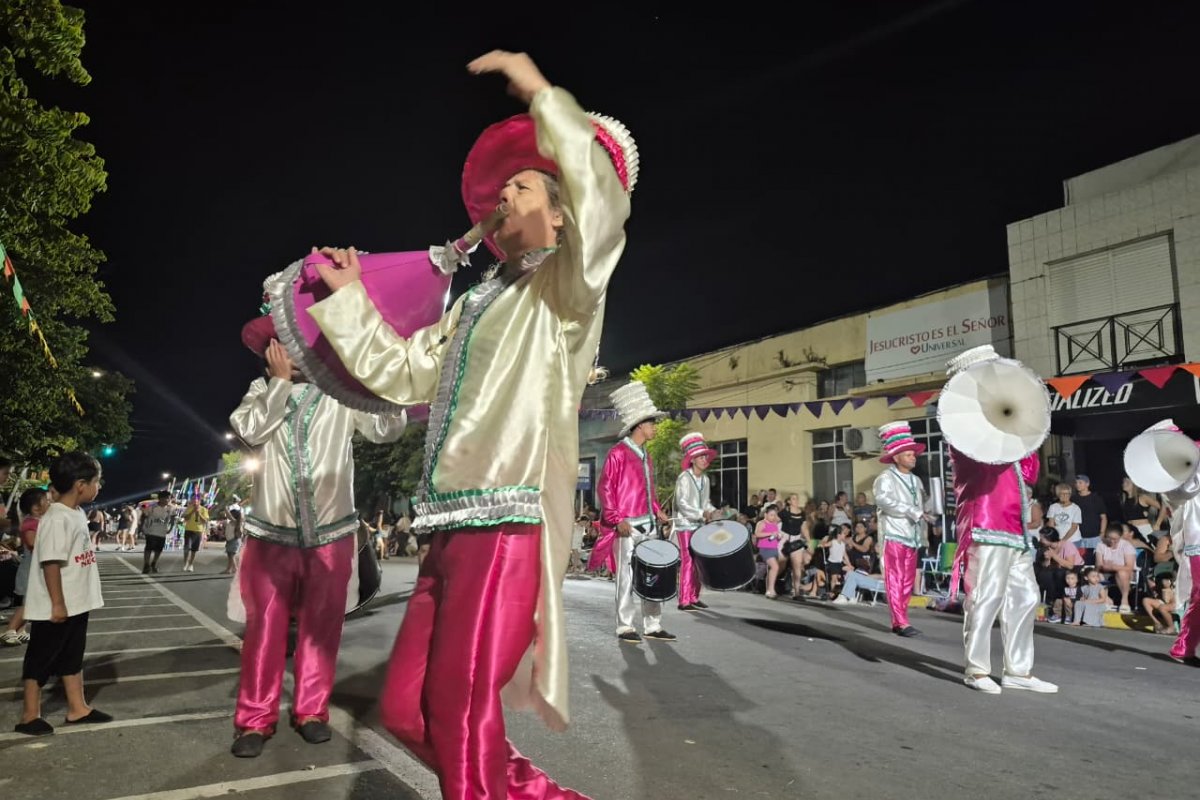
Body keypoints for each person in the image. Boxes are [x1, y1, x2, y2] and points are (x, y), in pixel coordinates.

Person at [304, 50, 635, 799]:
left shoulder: (567, 290)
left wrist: (543, 94)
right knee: (404, 709)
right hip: (448, 531)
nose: (504, 194)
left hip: (506, 526)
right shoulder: (479, 301)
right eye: (505, 185)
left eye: (523, 185)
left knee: (458, 712)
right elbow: (402, 371)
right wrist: (352, 295)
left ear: (560, 212)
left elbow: (603, 212)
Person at [227, 336, 405, 758]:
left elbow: (387, 429)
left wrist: (388, 382)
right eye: (284, 345)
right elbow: (251, 430)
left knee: (321, 632)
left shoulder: (339, 394)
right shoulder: (260, 392)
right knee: (264, 632)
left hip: (332, 533)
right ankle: (254, 718)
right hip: (271, 534)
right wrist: (279, 383)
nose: (294, 353)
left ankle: (311, 711)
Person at [944, 345, 1057, 695]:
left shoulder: (1001, 419)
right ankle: (977, 670)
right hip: (987, 517)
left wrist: (1029, 434)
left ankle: (1018, 670)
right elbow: (985, 464)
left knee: (1025, 596)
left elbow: (1030, 473)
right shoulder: (961, 421)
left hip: (1016, 524)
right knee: (985, 596)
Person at [16, 451, 111, 736]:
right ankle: (29, 715)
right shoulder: (57, 518)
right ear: (81, 484)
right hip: (56, 606)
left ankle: (77, 708)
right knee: (41, 659)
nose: (99, 486)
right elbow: (50, 563)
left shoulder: (75, 513)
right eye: (97, 481)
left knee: (72, 656)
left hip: (76, 602)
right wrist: (57, 603)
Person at [600, 381, 673, 639]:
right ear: (640, 425)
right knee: (627, 577)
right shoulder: (618, 453)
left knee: (651, 574)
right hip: (627, 526)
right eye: (652, 423)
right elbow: (606, 488)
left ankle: (653, 625)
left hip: (649, 525)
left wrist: (658, 511)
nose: (655, 427)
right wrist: (616, 518)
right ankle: (625, 625)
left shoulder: (646, 455)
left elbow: (649, 490)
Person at [872, 421, 929, 637]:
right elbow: (884, 501)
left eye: (913, 454)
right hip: (894, 534)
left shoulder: (916, 480)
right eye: (908, 454)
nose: (913, 457)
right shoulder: (885, 479)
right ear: (896, 458)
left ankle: (901, 619)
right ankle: (901, 621)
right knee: (895, 578)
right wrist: (913, 511)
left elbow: (921, 504)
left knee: (907, 580)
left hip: (912, 537)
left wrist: (925, 513)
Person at [1, 488, 51, 646]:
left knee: (31, 602)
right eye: (47, 502)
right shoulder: (31, 523)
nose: (50, 504)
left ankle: (21, 631)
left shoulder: (38, 521)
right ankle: (9, 630)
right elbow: (31, 542)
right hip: (31, 569)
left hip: (36, 568)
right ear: (36, 508)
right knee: (29, 604)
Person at [674, 432, 717, 611]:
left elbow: (706, 502)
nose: (704, 459)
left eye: (705, 456)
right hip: (685, 525)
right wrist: (701, 513)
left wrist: (713, 511)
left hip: (699, 525)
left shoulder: (705, 480)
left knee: (699, 561)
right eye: (700, 456)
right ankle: (684, 599)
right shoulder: (684, 478)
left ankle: (694, 596)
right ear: (692, 459)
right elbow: (682, 504)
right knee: (688, 561)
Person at [1094, 522, 1137, 613]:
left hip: (1125, 573)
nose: (1112, 541)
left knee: (1121, 573)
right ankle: (1105, 598)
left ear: (1120, 537)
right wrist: (1106, 567)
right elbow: (1099, 564)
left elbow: (1129, 567)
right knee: (1096, 574)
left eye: (1115, 539)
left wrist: (1113, 566)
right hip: (1106, 572)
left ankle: (1124, 600)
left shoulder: (1127, 546)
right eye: (1110, 538)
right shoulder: (1101, 545)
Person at [141, 491, 174, 574]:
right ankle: (146, 565)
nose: (168, 500)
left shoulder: (170, 508)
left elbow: (172, 519)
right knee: (148, 548)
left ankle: (154, 563)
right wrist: (142, 527)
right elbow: (144, 516)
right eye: (166, 498)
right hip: (151, 531)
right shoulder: (152, 507)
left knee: (159, 550)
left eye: (169, 498)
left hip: (162, 532)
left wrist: (171, 528)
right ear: (161, 498)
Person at [181, 498, 208, 572]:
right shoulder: (189, 508)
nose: (195, 502)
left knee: (194, 549)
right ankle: (185, 563)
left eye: (196, 500)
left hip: (198, 531)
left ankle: (190, 564)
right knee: (187, 547)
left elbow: (205, 521)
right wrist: (193, 511)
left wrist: (199, 513)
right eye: (193, 500)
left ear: (199, 501)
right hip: (189, 530)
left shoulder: (204, 509)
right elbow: (185, 518)